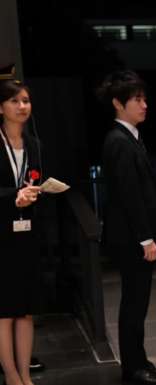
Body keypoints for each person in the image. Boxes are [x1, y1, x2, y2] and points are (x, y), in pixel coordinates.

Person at [99, 70, 156, 385]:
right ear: (118, 103)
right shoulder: (118, 140)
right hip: (132, 238)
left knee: (138, 302)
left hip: (135, 235)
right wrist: (146, 238)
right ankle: (133, 368)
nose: (144, 105)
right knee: (133, 303)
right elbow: (129, 196)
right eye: (137, 99)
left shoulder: (130, 136)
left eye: (144, 99)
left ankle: (140, 361)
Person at [0, 76, 43, 385]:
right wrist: (12, 197)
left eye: (25, 100)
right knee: (3, 312)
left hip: (27, 234)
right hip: (1, 236)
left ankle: (26, 375)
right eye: (15, 101)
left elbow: (36, 179)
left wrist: (35, 193)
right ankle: (12, 375)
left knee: (26, 310)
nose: (22, 106)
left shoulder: (35, 144)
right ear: (1, 107)